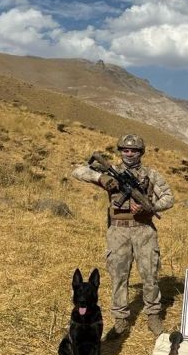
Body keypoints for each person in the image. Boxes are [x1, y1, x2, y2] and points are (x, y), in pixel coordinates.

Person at [72, 134, 174, 338]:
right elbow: (78, 170)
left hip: (144, 229)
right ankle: (120, 320)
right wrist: (101, 178)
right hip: (118, 230)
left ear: (141, 153)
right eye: (125, 150)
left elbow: (169, 197)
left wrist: (150, 207)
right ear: (120, 151)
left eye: (134, 150)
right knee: (118, 275)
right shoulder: (112, 171)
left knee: (150, 275)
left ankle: (153, 315)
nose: (129, 154)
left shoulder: (151, 174)